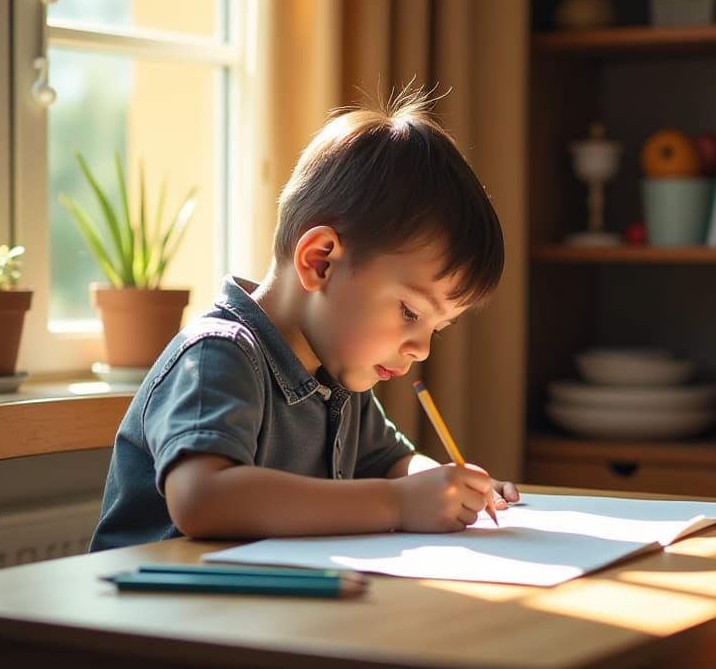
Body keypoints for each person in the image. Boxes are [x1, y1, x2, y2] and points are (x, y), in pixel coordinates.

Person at [90, 88, 518, 552]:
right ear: (321, 262)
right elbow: (201, 498)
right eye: (410, 312)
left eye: (436, 328)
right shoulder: (218, 354)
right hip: (156, 611)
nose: (421, 349)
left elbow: (393, 461)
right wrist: (397, 504)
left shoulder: (337, 375)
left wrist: (446, 485)